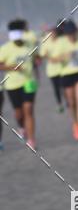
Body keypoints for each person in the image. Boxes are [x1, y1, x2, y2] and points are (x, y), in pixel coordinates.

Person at [0, 19, 38, 150]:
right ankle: (21, 127)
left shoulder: (29, 45)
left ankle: (32, 140)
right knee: (19, 113)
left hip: (29, 82)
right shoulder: (5, 49)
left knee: (29, 109)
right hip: (12, 85)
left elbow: (36, 58)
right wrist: (12, 67)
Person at [52, 19, 78, 140]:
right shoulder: (60, 42)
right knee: (72, 103)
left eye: (73, 33)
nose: (72, 36)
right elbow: (53, 59)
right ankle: (76, 123)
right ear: (66, 33)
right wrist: (64, 56)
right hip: (66, 75)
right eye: (69, 34)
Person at [39, 23, 65, 113]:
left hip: (63, 68)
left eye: (55, 32)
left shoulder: (62, 40)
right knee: (56, 88)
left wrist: (60, 58)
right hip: (52, 70)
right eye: (52, 32)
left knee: (64, 86)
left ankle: (68, 101)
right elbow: (42, 54)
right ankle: (59, 103)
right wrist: (48, 57)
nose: (53, 34)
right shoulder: (45, 40)